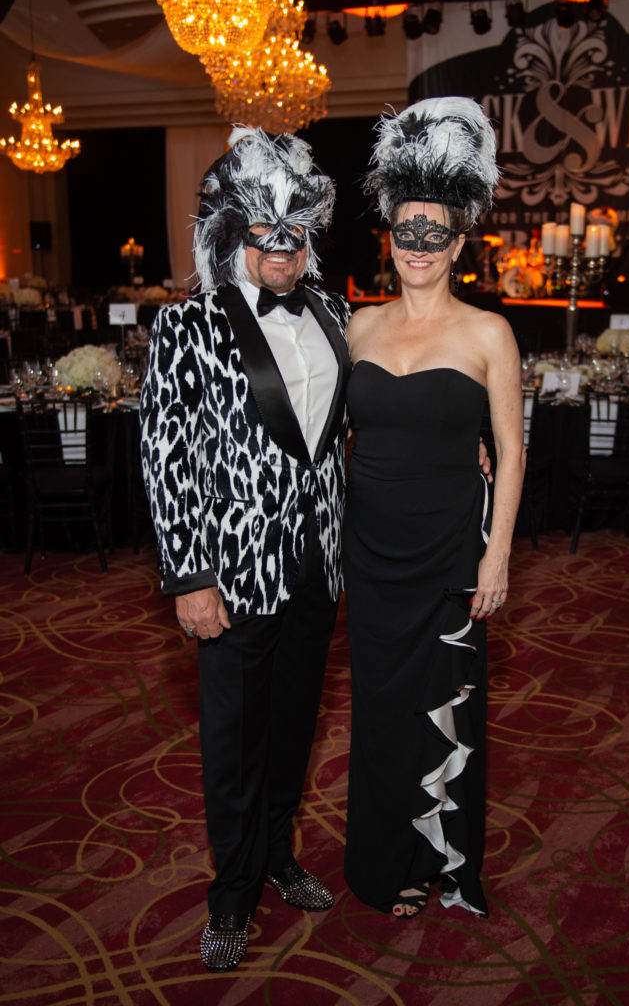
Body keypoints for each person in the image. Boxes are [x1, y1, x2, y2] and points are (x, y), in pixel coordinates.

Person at [139, 127, 352, 972]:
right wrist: (189, 576)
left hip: (315, 565)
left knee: (294, 727)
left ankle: (275, 856)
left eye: (294, 234)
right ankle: (231, 892)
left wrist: (467, 446)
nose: (281, 249)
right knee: (232, 740)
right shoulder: (187, 325)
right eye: (265, 234)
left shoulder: (333, 311)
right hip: (229, 570)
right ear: (235, 234)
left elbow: (357, 427)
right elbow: (165, 457)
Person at [343, 97, 526, 920]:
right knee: (379, 711)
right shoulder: (357, 328)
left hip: (451, 550)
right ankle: (385, 855)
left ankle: (440, 858)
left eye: (435, 233)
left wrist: (498, 556)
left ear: (459, 242)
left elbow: (513, 452)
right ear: (390, 234)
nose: (418, 247)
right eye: (406, 230)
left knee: (442, 706)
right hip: (371, 553)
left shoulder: (489, 334)